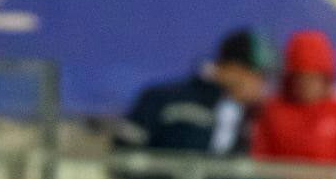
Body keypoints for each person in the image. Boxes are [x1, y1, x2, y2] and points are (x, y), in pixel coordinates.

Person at [114, 28, 275, 154]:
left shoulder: (251, 117)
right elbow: (124, 154)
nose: (262, 87)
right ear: (233, 68)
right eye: (258, 76)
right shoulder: (161, 99)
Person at [251, 30, 336, 165]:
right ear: (290, 79)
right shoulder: (271, 108)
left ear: (326, 79)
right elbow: (260, 160)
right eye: (300, 77)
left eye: (313, 78)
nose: (306, 85)